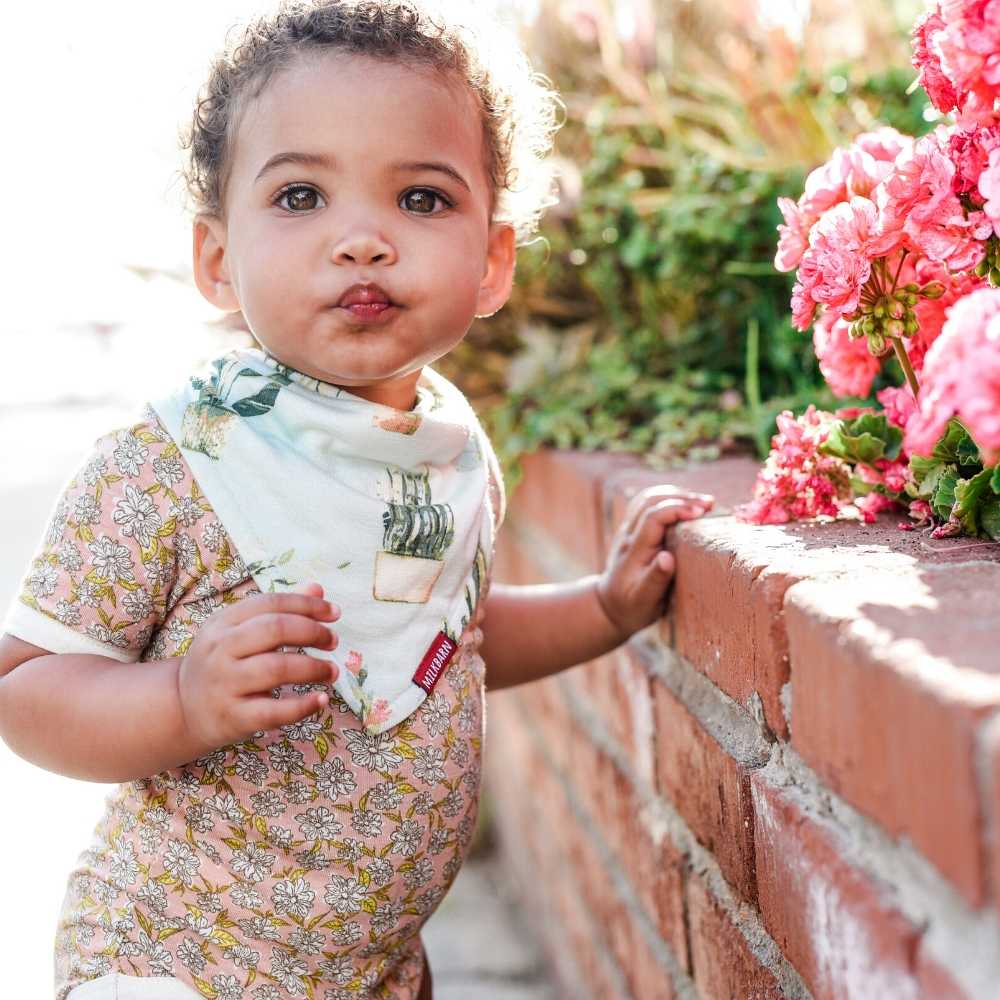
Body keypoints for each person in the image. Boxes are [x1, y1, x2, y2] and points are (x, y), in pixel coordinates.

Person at [0, 2, 714, 998]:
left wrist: (601, 607)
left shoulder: (446, 452)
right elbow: (25, 690)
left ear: (493, 260)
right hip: (173, 956)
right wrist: (178, 698)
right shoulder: (173, 461)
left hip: (365, 969)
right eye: (300, 196)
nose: (363, 240)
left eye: (421, 200)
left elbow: (438, 644)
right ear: (215, 257)